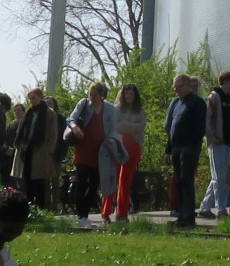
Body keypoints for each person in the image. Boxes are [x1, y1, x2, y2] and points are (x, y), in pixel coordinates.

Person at [63, 83, 115, 226]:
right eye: (90, 94)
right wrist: (74, 127)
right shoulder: (84, 103)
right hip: (83, 148)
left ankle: (85, 214)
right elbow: (71, 119)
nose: (91, 97)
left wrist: (111, 142)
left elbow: (114, 129)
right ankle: (82, 216)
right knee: (81, 182)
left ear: (102, 95)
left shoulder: (110, 109)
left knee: (94, 185)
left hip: (100, 152)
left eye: (95, 95)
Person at [166, 73, 207, 228]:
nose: (176, 91)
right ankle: (181, 214)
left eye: (178, 87)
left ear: (188, 85)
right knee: (178, 181)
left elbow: (199, 128)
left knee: (187, 180)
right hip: (176, 148)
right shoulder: (176, 103)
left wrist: (191, 146)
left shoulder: (198, 102)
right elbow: (171, 128)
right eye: (174, 88)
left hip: (189, 148)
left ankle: (189, 214)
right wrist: (168, 150)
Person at [196, 71, 230, 219]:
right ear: (225, 81)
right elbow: (206, 119)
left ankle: (205, 207)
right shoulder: (214, 97)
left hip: (226, 142)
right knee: (219, 177)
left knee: (219, 176)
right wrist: (212, 137)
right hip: (216, 143)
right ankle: (221, 210)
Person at [105, 83, 148, 223]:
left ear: (135, 96)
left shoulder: (140, 110)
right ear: (123, 95)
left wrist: (126, 126)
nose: (129, 96)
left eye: (132, 93)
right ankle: (106, 211)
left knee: (125, 180)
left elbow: (141, 126)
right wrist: (131, 127)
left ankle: (122, 214)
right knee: (114, 178)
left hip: (134, 146)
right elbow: (116, 126)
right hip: (118, 146)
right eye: (127, 93)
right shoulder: (116, 109)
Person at [9, 89, 58, 208]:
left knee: (40, 182)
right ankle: (30, 207)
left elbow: (53, 133)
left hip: (40, 151)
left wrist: (48, 150)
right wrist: (21, 145)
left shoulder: (49, 113)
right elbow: (21, 130)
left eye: (34, 98)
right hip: (27, 150)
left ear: (40, 97)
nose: (32, 101)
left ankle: (41, 208)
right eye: (30, 98)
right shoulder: (29, 112)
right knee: (27, 181)